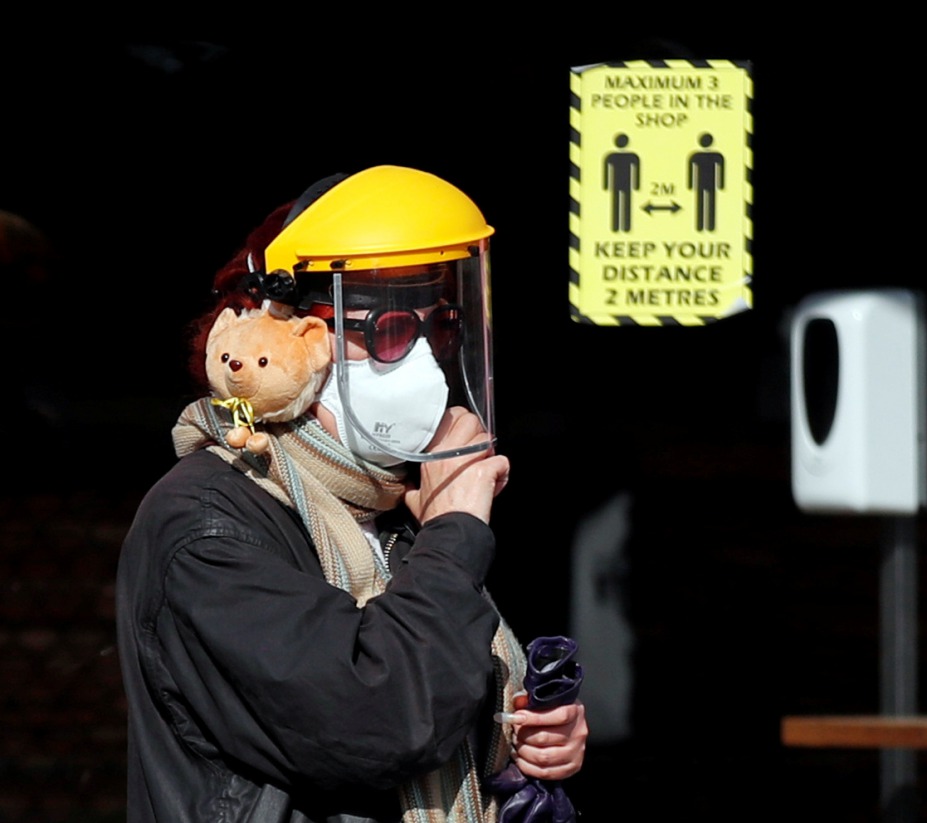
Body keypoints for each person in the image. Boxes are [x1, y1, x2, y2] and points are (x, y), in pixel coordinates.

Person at [116, 166, 587, 822]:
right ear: (282, 341)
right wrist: (454, 533)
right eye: (391, 329)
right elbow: (381, 721)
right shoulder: (206, 523)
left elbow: (434, 689)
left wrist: (516, 735)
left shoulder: (394, 503)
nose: (422, 359)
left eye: (442, 328)